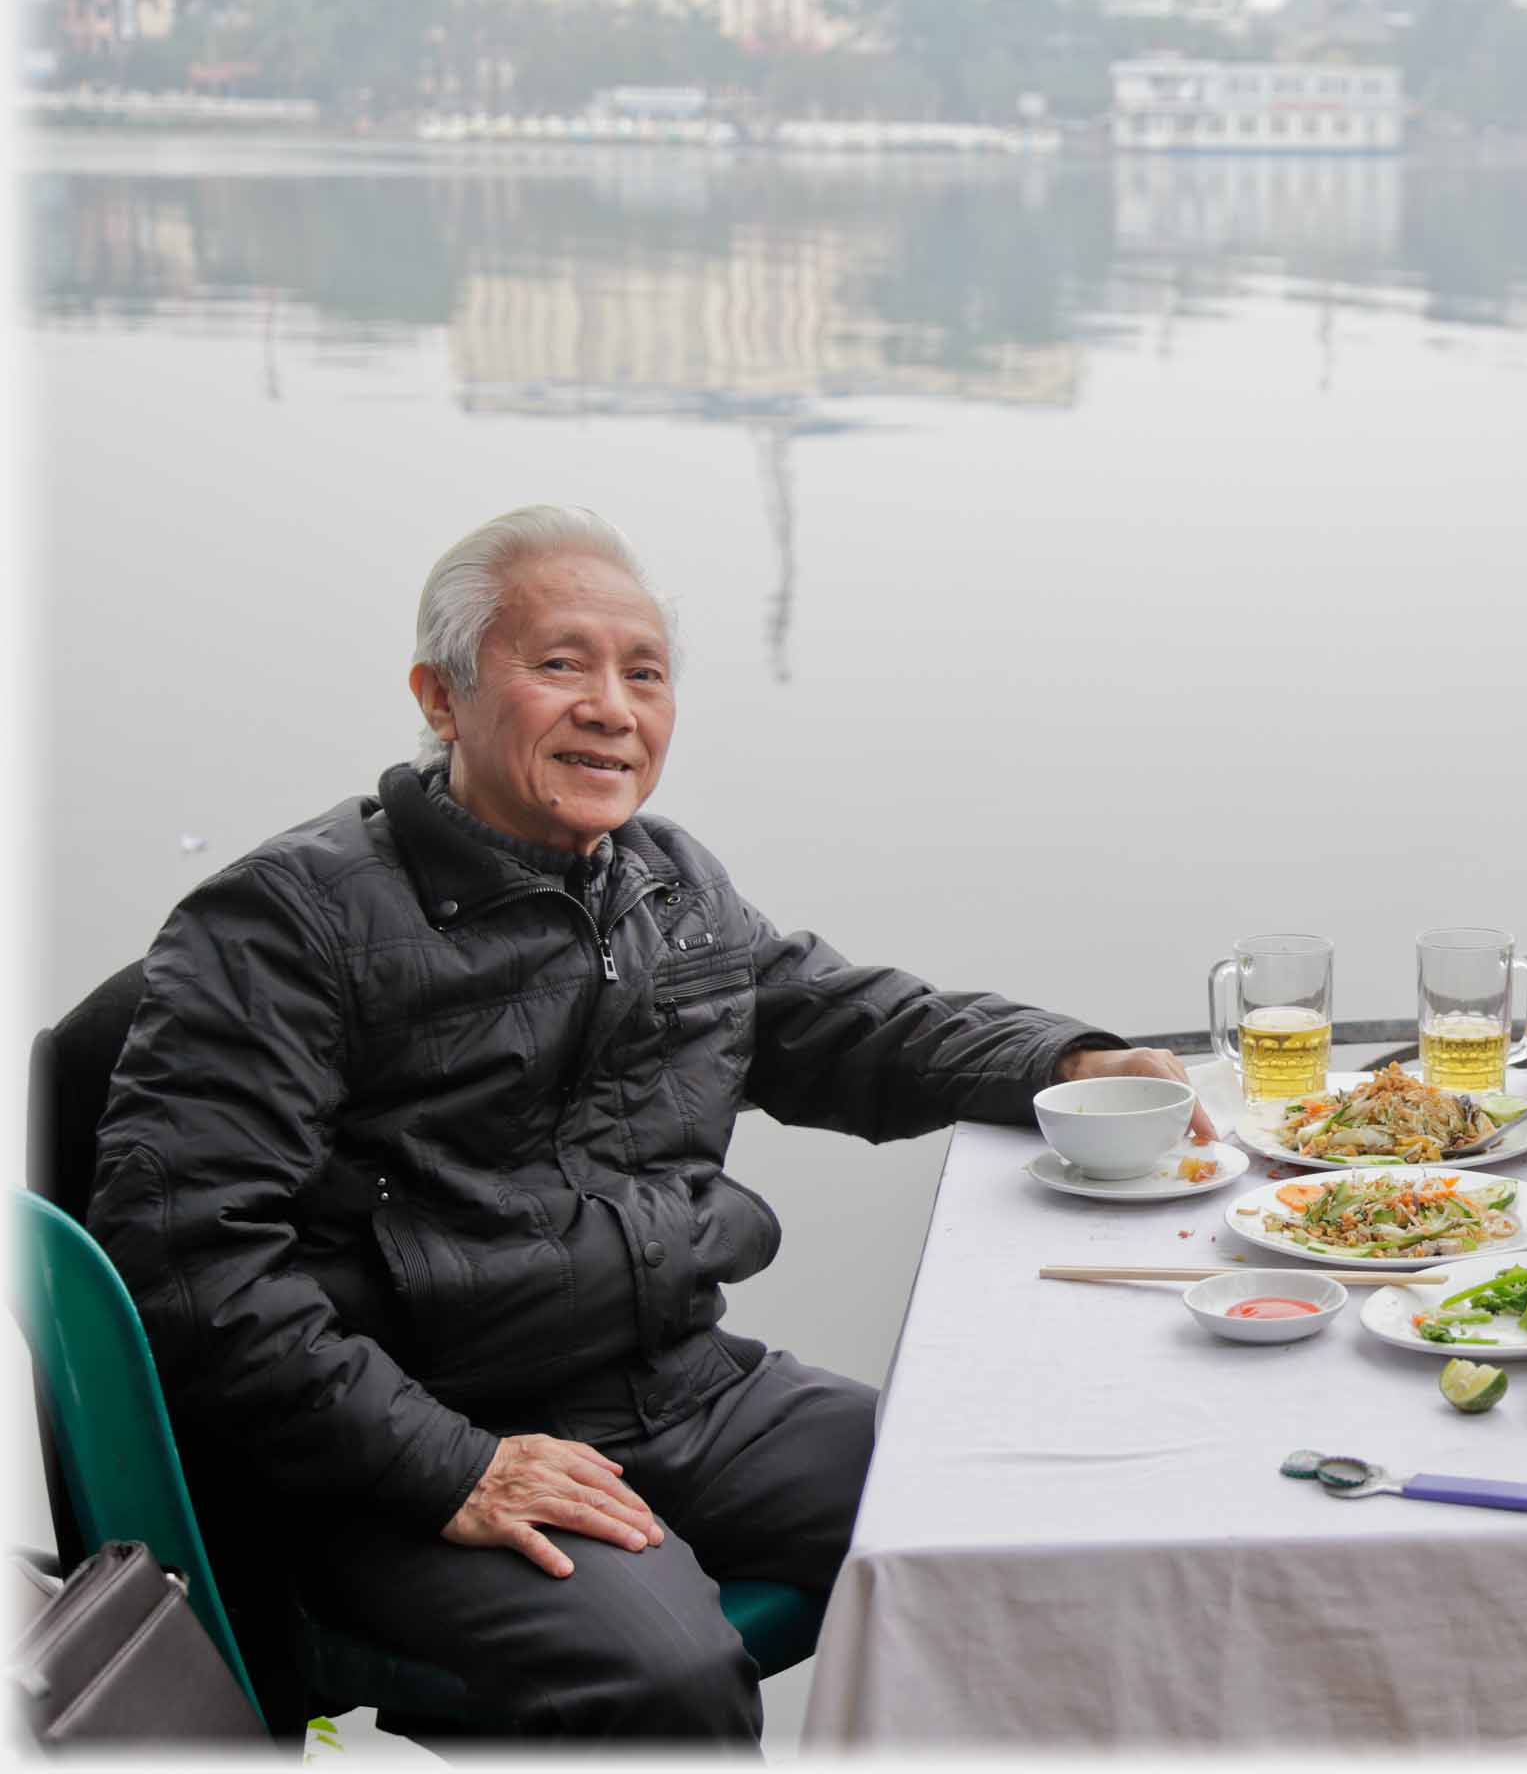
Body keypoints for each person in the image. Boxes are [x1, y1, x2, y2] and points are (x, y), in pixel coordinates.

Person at [87, 505, 1207, 1743]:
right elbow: (188, 1260)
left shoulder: (662, 883)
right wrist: (446, 1466)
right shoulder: (285, 923)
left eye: (645, 674)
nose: (611, 708)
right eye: (560, 663)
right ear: (442, 696)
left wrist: (1071, 1058)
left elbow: (839, 1022)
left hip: (686, 1388)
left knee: (1039, 1520)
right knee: (664, 1679)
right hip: (415, 1440)